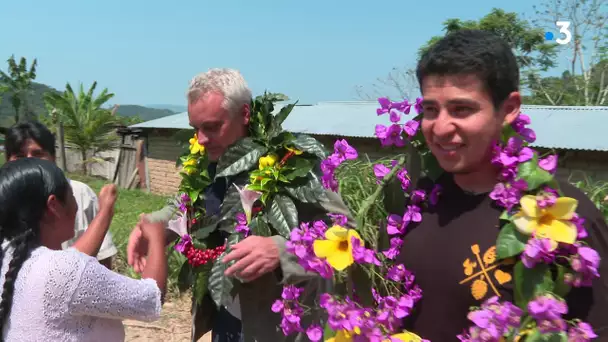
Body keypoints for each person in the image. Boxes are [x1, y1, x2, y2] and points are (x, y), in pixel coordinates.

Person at [386, 29, 608, 340]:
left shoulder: (561, 215)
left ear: (509, 108)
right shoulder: (416, 202)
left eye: (461, 109)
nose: (440, 127)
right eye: (430, 109)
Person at [126, 68, 352, 342]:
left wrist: (281, 251)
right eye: (195, 128)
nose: (200, 139)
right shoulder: (208, 162)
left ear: (244, 114)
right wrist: (157, 224)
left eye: (211, 127)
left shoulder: (292, 164)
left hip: (278, 329)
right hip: (227, 323)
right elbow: (191, 203)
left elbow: (347, 233)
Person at [0, 157, 167, 341]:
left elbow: (70, 266)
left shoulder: (8, 258)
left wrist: (105, 211)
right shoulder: (63, 270)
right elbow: (151, 299)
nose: (75, 202)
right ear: (54, 205)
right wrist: (157, 236)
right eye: (70, 192)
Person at [4, 121, 118, 268]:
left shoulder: (80, 194)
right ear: (8, 162)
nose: (29, 161)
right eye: (20, 156)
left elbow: (103, 257)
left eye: (38, 154)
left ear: (53, 157)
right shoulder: (4, 200)